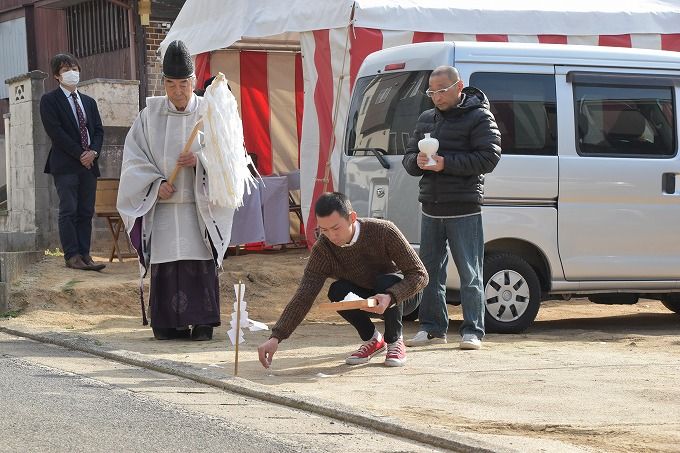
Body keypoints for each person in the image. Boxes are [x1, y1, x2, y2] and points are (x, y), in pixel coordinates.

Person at [117, 40, 234, 341]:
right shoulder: (148, 116)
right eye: (172, 84)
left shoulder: (209, 113)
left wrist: (200, 162)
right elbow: (133, 160)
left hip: (198, 208)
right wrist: (155, 185)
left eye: (184, 84)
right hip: (165, 208)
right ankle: (168, 323)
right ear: (164, 83)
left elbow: (228, 156)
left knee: (198, 259)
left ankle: (203, 322)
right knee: (167, 263)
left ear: (194, 82)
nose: (178, 91)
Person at [258, 192, 428, 368]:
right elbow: (304, 295)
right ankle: (373, 340)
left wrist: (392, 296)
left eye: (336, 228)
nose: (331, 236)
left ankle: (394, 341)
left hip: (404, 299)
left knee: (385, 283)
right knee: (337, 290)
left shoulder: (384, 231)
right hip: (367, 300)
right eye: (323, 230)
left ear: (352, 217)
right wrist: (276, 337)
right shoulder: (323, 250)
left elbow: (420, 274)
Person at [402, 65, 501, 350]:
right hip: (431, 205)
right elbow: (409, 156)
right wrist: (416, 163)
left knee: (470, 271)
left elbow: (489, 157)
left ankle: (473, 330)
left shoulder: (480, 116)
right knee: (428, 271)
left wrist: (447, 163)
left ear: (459, 87)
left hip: (464, 205)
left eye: (442, 91)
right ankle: (432, 328)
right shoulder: (426, 118)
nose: (436, 97)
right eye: (432, 92)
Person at [40, 53, 106, 271]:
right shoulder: (49, 101)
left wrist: (93, 152)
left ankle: (85, 254)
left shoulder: (89, 101)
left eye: (74, 68)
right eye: (66, 69)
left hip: (89, 164)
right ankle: (72, 256)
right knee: (68, 210)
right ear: (57, 76)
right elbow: (56, 133)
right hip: (66, 164)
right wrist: (81, 154)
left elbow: (97, 130)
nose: (72, 72)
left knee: (86, 211)